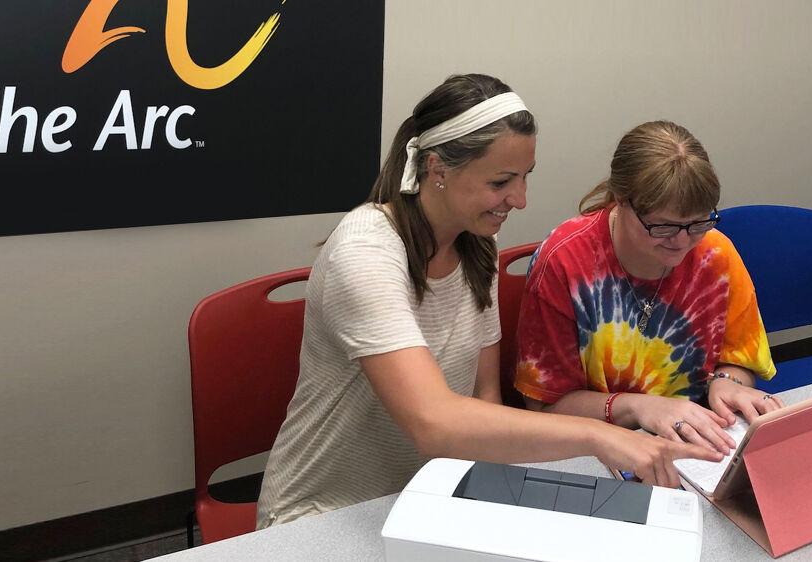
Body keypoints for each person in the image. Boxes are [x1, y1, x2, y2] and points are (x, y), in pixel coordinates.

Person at [256, 78, 720, 529]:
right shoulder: (366, 253)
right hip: (324, 514)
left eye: (524, 178)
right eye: (502, 181)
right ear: (437, 169)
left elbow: (485, 400)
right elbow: (433, 421)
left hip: (427, 496)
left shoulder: (476, 249)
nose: (520, 199)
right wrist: (602, 435)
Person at [515, 120, 783, 456]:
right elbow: (545, 409)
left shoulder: (715, 253)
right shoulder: (564, 263)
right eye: (664, 226)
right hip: (597, 446)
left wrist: (727, 384)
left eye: (698, 222)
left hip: (696, 435)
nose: (683, 241)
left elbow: (738, 361)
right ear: (620, 201)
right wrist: (640, 407)